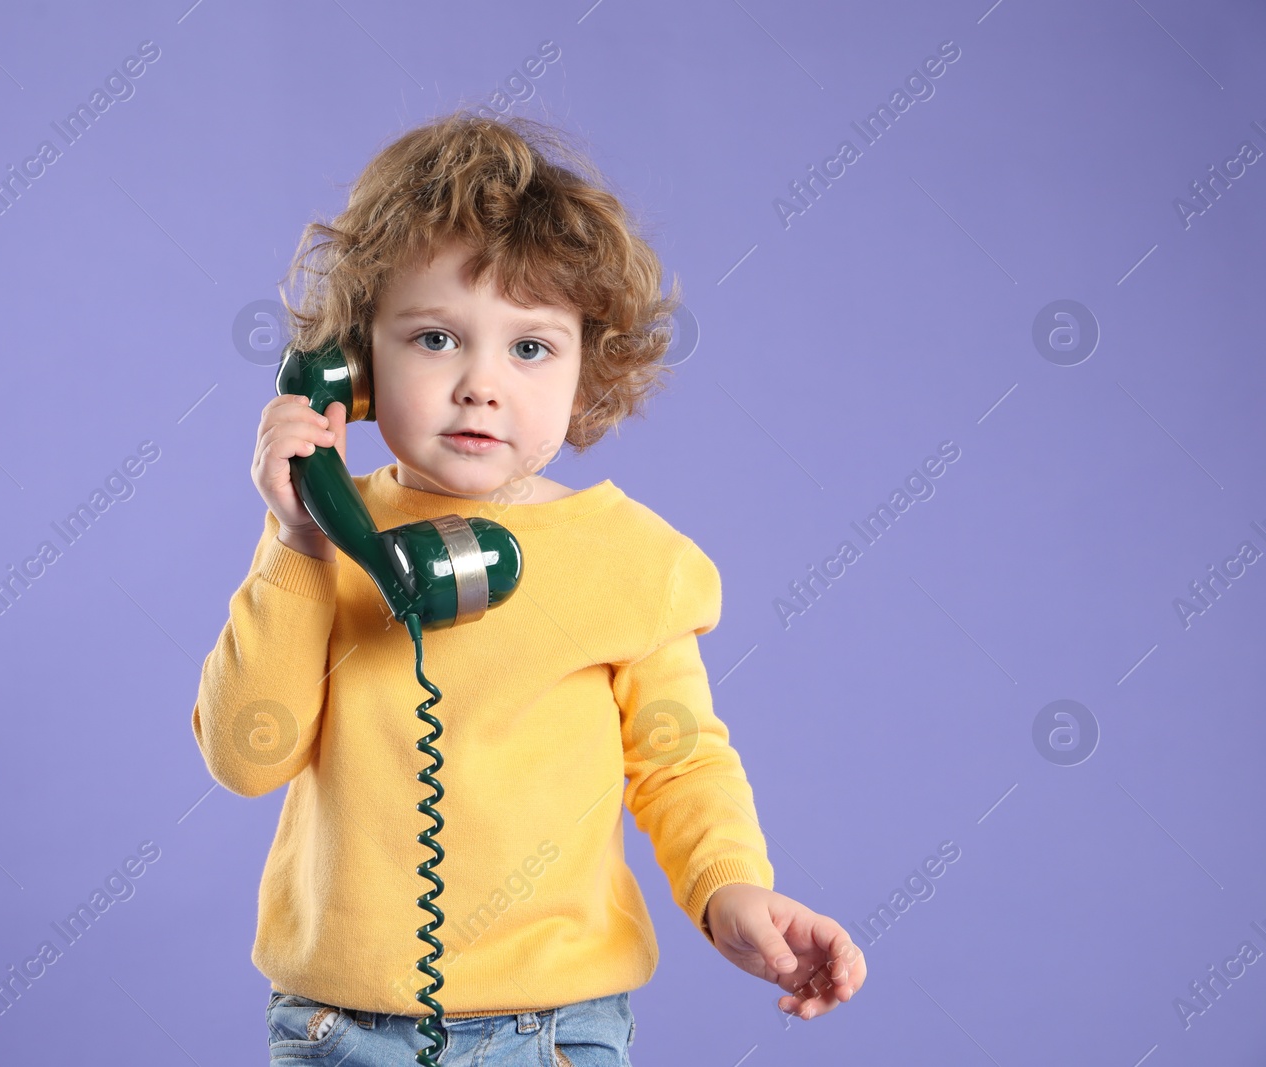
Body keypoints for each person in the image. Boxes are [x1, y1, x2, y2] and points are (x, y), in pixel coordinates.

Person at [193, 110, 866, 1066]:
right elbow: (245, 755)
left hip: (554, 1030)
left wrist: (730, 887)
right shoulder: (324, 543)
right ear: (354, 365)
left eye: (531, 347)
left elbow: (679, 762)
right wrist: (299, 538)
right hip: (337, 1028)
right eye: (433, 338)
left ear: (591, 364)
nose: (480, 384)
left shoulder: (632, 559)